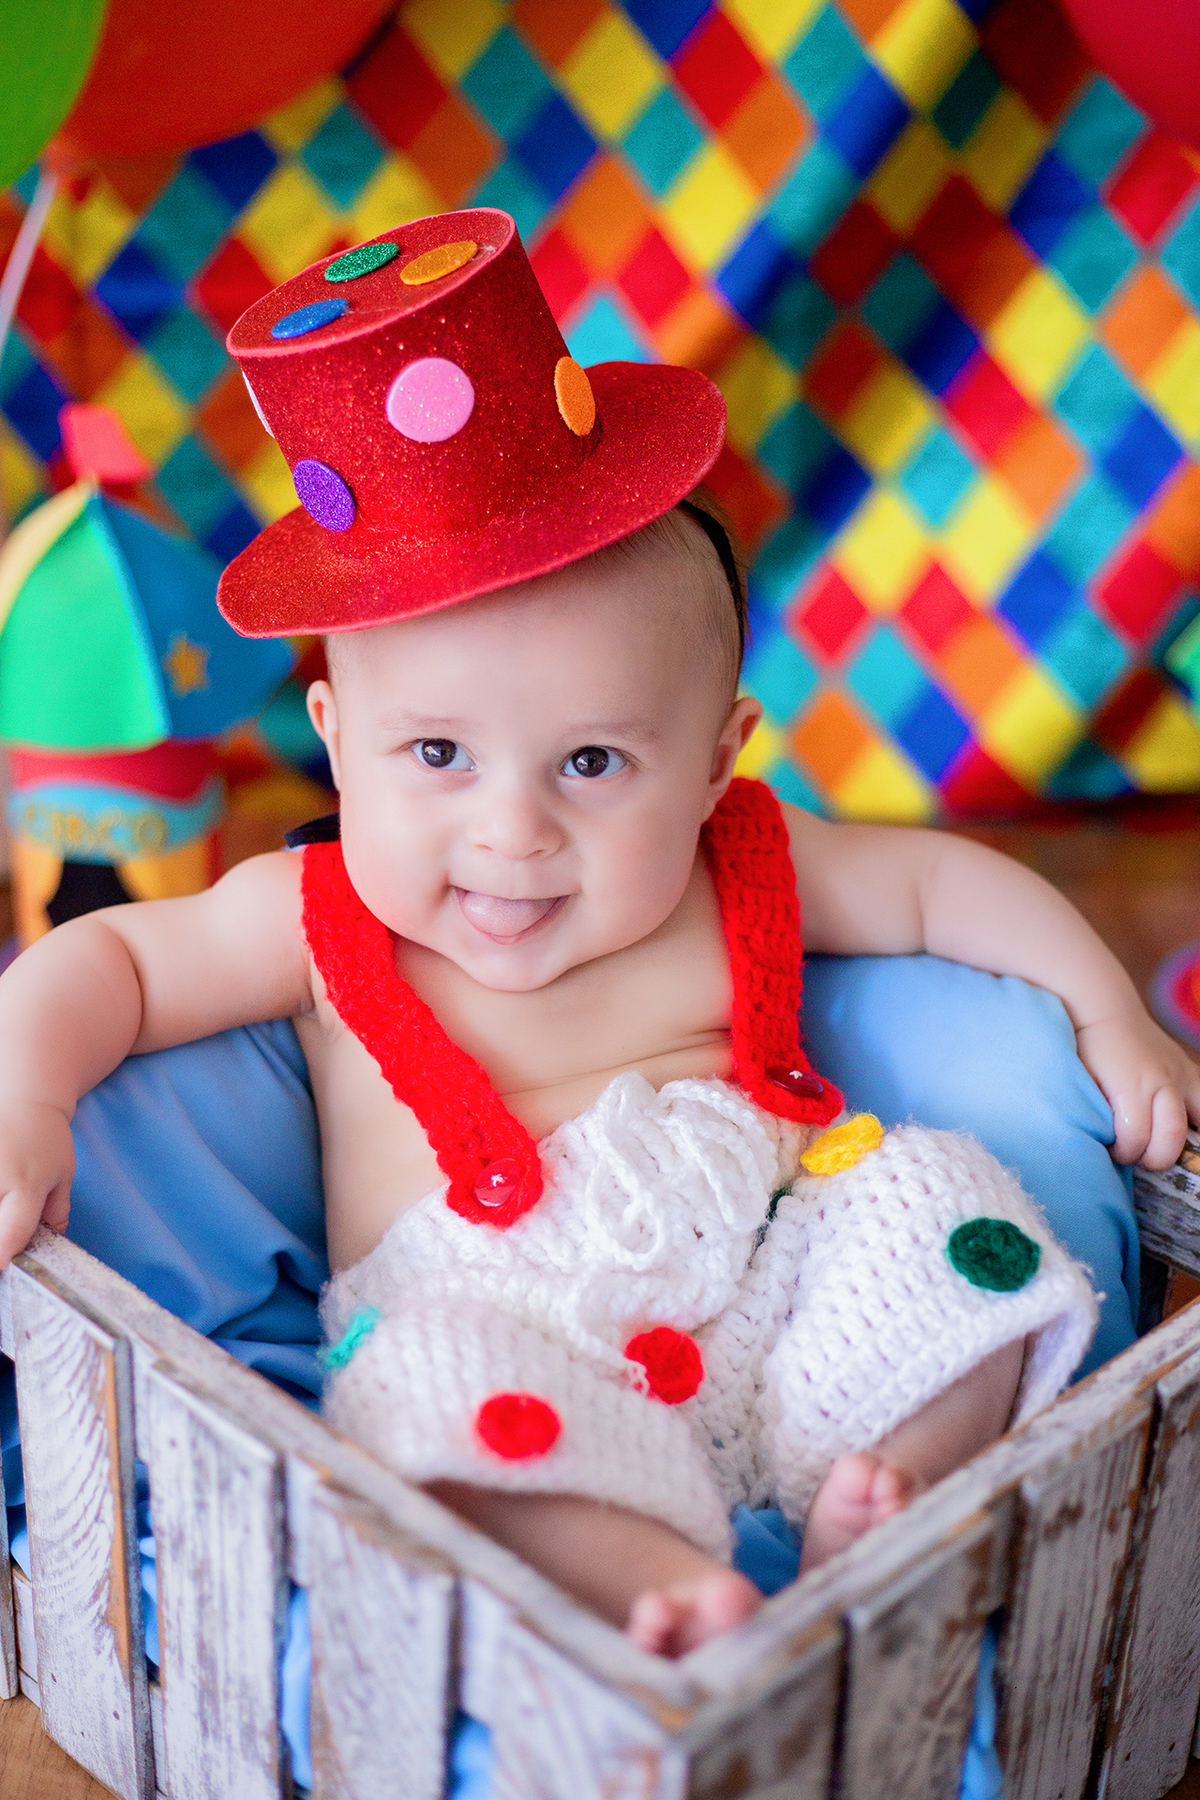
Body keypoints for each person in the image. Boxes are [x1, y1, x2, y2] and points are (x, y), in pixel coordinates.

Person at [0, 210, 1193, 1660]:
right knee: (410, 1387)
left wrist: (1109, 1013)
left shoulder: (736, 864)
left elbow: (948, 887)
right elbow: (107, 965)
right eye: (436, 755)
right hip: (515, 1352)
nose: (512, 833)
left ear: (714, 758)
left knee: (951, 1196)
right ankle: (645, 1585)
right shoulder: (315, 920)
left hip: (776, 1291)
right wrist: (27, 1099)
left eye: (590, 765)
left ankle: (899, 1492)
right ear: (335, 742)